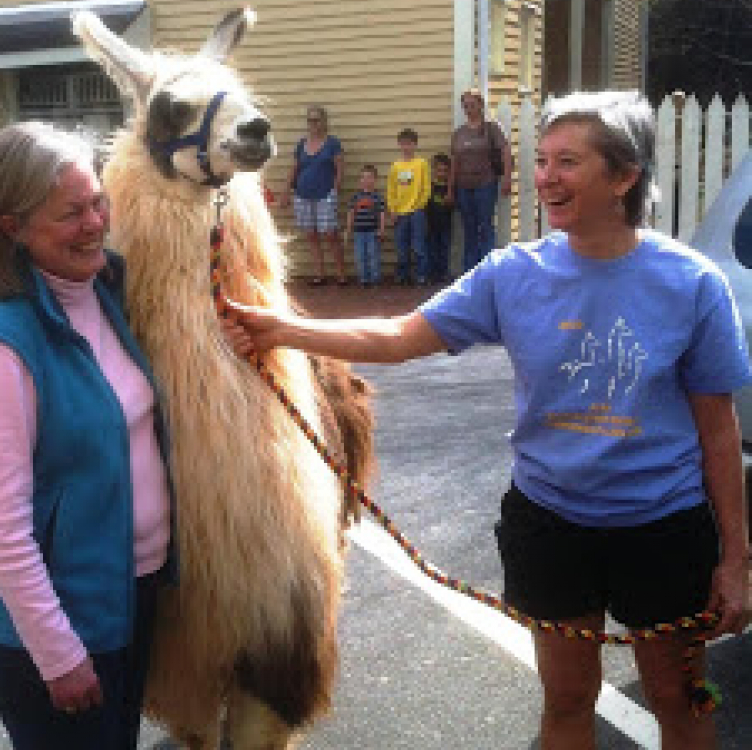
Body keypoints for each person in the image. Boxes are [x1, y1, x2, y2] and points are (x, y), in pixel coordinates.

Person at [223, 91, 751, 749]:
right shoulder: (512, 274)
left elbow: (719, 430)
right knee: (565, 701)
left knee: (682, 700)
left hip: (665, 531)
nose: (546, 177)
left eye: (569, 162)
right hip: (551, 525)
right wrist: (285, 330)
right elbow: (397, 335)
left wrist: (735, 558)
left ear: (623, 176)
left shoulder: (693, 284)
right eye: (543, 160)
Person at [0, 121, 175, 749]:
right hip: (54, 632)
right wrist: (58, 655)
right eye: (71, 213)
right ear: (12, 228)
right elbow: (1, 531)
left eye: (98, 201)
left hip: (123, 598)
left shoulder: (106, 293)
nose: (97, 222)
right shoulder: (4, 353)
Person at [281, 105, 346, 285]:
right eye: (310, 120)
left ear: (324, 121)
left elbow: (340, 169)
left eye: (316, 120)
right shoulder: (302, 144)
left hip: (325, 194)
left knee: (330, 234)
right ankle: (320, 274)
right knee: (311, 235)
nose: (313, 124)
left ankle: (341, 274)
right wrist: (286, 191)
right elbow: (295, 168)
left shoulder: (333, 143)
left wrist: (335, 189)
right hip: (302, 195)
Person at [449, 88, 512, 272]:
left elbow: (505, 151)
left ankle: (487, 269)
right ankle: (470, 270)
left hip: (485, 184)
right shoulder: (459, 133)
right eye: (465, 106)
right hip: (463, 187)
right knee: (469, 229)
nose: (469, 109)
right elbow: (454, 161)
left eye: (472, 105)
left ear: (481, 105)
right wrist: (450, 189)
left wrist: (507, 178)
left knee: (485, 226)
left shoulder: (491, 128)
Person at [386, 128, 431, 285]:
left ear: (415, 145)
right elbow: (391, 189)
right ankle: (403, 276)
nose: (406, 147)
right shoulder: (395, 166)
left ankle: (421, 275)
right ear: (399, 145)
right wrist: (392, 209)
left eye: (409, 144)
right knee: (401, 246)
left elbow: (426, 188)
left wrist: (419, 206)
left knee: (418, 246)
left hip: (416, 212)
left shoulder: (421, 164)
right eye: (403, 144)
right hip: (399, 213)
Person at [346, 164, 386, 287]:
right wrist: (348, 229)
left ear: (375, 180)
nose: (366, 180)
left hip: (372, 232)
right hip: (358, 232)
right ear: (360, 180)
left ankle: (375, 279)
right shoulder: (355, 197)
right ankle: (364, 279)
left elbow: (382, 214)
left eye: (369, 177)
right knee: (360, 256)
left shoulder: (378, 197)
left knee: (373, 256)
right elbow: (351, 213)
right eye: (363, 178)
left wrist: (382, 229)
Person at [426, 152, 454, 284]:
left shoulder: (450, 189)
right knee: (432, 250)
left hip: (446, 225)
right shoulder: (429, 187)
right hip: (431, 225)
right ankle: (433, 274)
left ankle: (443, 273)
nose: (442, 173)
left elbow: (454, 205)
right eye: (439, 170)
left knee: (444, 249)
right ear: (433, 170)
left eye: (445, 171)